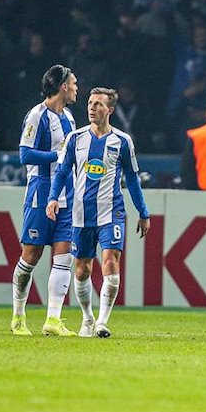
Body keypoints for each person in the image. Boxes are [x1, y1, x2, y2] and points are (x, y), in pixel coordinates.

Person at [47, 87, 151, 338]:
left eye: (98, 104)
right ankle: (88, 318)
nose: (92, 108)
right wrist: (52, 199)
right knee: (82, 269)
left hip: (111, 211)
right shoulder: (75, 138)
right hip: (81, 213)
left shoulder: (122, 141)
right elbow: (61, 173)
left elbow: (133, 180)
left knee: (110, 260)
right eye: (90, 103)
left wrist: (143, 212)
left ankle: (103, 322)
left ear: (110, 110)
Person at [10, 65, 78, 337]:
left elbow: (69, 157)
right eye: (73, 83)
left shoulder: (70, 119)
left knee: (64, 258)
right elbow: (25, 155)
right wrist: (56, 156)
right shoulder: (37, 116)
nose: (76, 88)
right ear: (62, 86)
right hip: (40, 194)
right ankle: (18, 316)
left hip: (66, 196)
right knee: (31, 256)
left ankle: (53, 319)